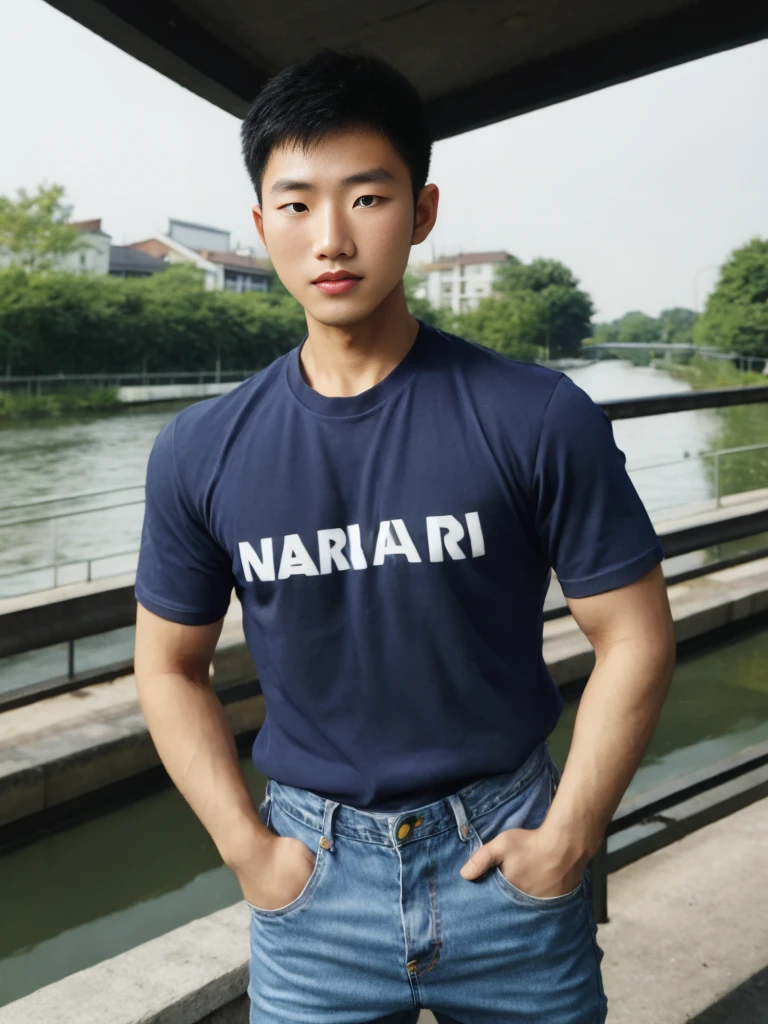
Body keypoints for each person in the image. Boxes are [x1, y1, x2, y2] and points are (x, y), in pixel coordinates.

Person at [133, 50, 676, 1024]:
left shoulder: (535, 416)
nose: (331, 238)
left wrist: (570, 834)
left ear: (422, 213)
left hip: (507, 855)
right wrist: (247, 849)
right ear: (261, 226)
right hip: (314, 880)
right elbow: (169, 667)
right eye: (296, 204)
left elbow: (634, 632)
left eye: (367, 197)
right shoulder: (200, 449)